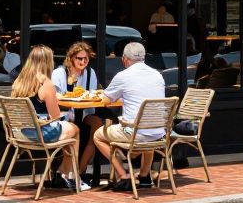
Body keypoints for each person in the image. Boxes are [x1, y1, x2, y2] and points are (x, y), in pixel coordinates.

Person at [10, 45, 86, 190]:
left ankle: (61, 173)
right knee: (74, 129)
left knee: (67, 127)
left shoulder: (19, 81)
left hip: (19, 132)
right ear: (47, 61)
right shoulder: (45, 83)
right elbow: (55, 116)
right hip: (39, 133)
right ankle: (64, 174)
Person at [93, 41, 166, 191]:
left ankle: (123, 175)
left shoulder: (123, 76)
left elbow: (106, 100)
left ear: (125, 59)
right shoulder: (157, 75)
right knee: (147, 129)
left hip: (133, 133)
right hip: (158, 132)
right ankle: (145, 176)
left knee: (98, 135)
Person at [51, 41, 103, 181]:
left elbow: (91, 95)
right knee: (73, 125)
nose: (83, 61)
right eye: (79, 58)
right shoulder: (59, 73)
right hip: (64, 114)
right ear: (71, 58)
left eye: (85, 58)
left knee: (98, 125)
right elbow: (55, 97)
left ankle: (79, 170)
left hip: (85, 112)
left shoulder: (90, 73)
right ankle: (64, 171)